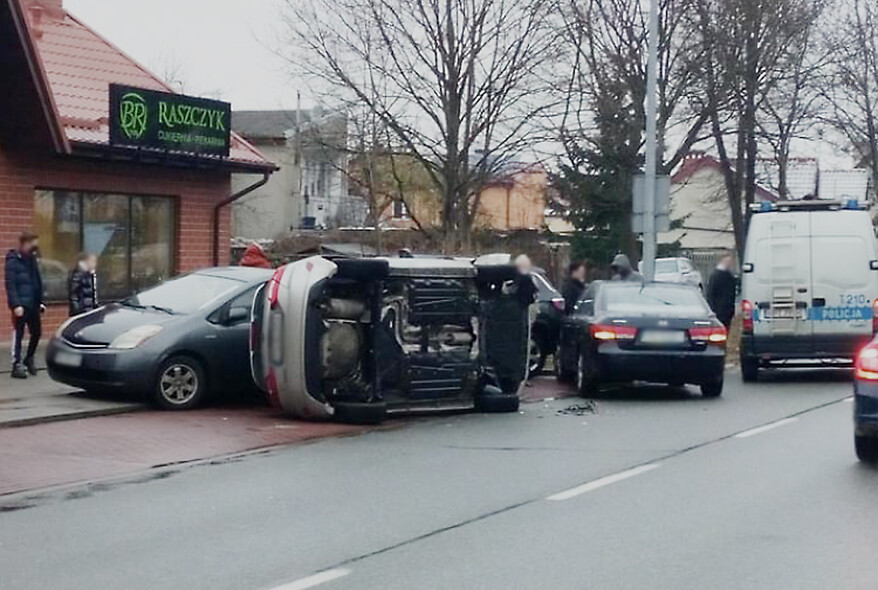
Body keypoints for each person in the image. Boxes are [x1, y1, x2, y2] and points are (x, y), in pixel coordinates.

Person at [5, 231, 45, 379]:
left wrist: (41, 301)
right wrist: (15, 304)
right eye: (33, 243)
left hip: (33, 303)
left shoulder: (32, 259)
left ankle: (29, 358)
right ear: (25, 243)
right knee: (19, 334)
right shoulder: (13, 260)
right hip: (21, 304)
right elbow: (10, 284)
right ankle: (16, 364)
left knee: (36, 332)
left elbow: (37, 281)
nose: (36, 246)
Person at [707, 253, 737, 329]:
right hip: (719, 310)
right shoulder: (716, 276)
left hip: (727, 310)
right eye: (728, 261)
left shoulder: (729, 275)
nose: (730, 264)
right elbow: (711, 293)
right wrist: (713, 309)